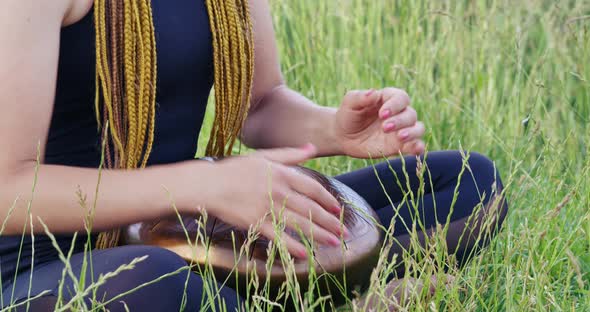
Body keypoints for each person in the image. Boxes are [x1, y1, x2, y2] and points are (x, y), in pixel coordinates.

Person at [0, 0, 508, 311]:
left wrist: (335, 128)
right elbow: (9, 191)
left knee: (469, 187)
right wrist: (202, 185)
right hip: (41, 269)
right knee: (161, 283)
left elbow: (259, 104)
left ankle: (253, 300)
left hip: (191, 234)